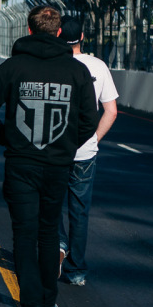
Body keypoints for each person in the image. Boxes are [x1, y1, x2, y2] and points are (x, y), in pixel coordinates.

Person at [0, 6, 99, 307]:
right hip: (58, 165)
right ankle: (47, 302)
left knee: (24, 235)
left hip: (21, 163)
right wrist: (66, 146)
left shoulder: (12, 67)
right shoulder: (77, 71)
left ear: (28, 30)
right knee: (48, 233)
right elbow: (89, 120)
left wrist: (10, 139)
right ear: (58, 32)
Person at [56, 18, 119, 286]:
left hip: (54, 147)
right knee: (79, 211)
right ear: (82, 37)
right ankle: (76, 270)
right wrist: (94, 138)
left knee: (50, 203)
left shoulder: (52, 65)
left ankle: (59, 244)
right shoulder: (98, 66)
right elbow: (111, 111)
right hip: (85, 151)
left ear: (58, 35)